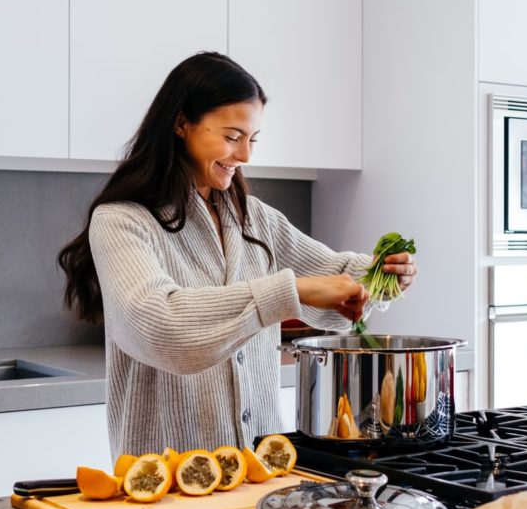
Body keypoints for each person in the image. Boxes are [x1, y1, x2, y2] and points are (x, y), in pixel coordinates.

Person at [58, 52, 417, 457]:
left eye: (252, 139)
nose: (245, 155)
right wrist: (288, 292)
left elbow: (333, 276)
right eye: (232, 137)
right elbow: (160, 327)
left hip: (264, 470)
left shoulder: (255, 218)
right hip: (167, 480)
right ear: (180, 124)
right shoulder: (122, 221)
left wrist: (380, 275)